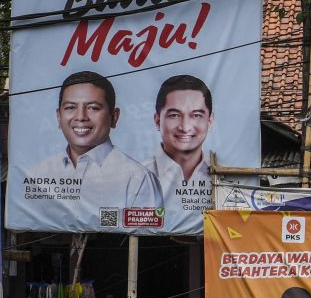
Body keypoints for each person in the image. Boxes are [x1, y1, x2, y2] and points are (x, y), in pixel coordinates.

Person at [25, 71, 162, 229]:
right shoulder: (38, 173)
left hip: (115, 252)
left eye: (93, 108)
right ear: (58, 116)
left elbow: (147, 235)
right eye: (70, 107)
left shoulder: (137, 179)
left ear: (114, 117)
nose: (81, 117)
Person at [143, 74, 213, 222]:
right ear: (157, 120)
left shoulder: (222, 176)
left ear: (210, 120)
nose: (185, 127)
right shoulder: (138, 177)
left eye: (196, 115)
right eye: (174, 115)